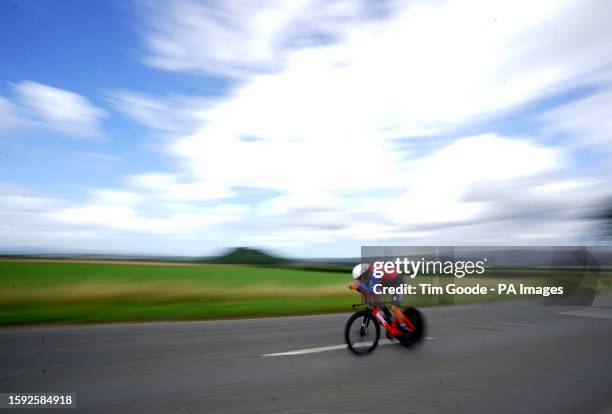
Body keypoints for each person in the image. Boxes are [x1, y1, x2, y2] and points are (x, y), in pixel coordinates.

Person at [348, 263, 410, 329]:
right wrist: (358, 288)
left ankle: (404, 327)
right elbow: (367, 289)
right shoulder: (368, 273)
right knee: (376, 297)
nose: (359, 280)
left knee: (394, 308)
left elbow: (372, 290)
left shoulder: (374, 272)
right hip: (389, 281)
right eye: (358, 279)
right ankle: (388, 314)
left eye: (359, 278)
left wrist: (359, 286)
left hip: (398, 282)